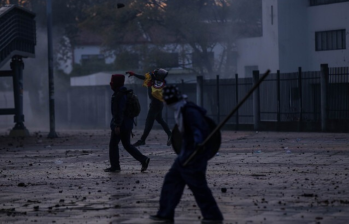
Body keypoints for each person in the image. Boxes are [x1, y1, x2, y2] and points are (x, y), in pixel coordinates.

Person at [149, 85, 224, 224]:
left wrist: (198, 142)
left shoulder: (189, 111)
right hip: (185, 154)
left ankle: (213, 216)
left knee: (199, 186)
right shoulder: (181, 109)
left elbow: (199, 129)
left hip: (195, 155)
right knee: (171, 181)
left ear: (169, 100)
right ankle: (165, 213)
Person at [104, 74, 150, 173]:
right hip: (127, 124)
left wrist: (117, 125)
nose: (111, 84)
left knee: (113, 145)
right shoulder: (125, 93)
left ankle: (115, 166)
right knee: (127, 145)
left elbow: (119, 111)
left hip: (121, 125)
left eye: (112, 81)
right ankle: (143, 159)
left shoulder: (119, 95)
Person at [126, 69, 172, 147]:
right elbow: (144, 77)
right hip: (158, 104)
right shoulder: (154, 79)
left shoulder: (159, 83)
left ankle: (142, 140)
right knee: (160, 119)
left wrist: (149, 84)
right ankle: (170, 135)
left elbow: (153, 92)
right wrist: (134, 74)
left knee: (149, 122)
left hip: (156, 104)